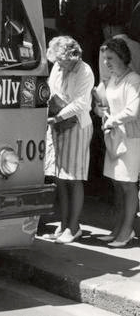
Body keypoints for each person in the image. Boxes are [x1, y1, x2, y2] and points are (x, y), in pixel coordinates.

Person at [43, 36, 94, 244]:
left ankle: (73, 228)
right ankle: (64, 226)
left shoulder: (85, 71)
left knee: (73, 177)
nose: (58, 65)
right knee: (59, 178)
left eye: (61, 60)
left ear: (71, 56)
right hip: (58, 125)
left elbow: (81, 103)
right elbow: (51, 90)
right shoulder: (57, 67)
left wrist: (57, 116)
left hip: (76, 127)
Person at [92, 37, 140, 247]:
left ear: (122, 57)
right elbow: (102, 104)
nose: (106, 63)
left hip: (130, 138)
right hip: (113, 137)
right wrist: (99, 110)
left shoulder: (134, 80)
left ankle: (126, 231)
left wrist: (111, 119)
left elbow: (132, 111)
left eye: (110, 58)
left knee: (128, 185)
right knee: (117, 184)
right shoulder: (112, 79)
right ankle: (117, 229)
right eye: (104, 59)